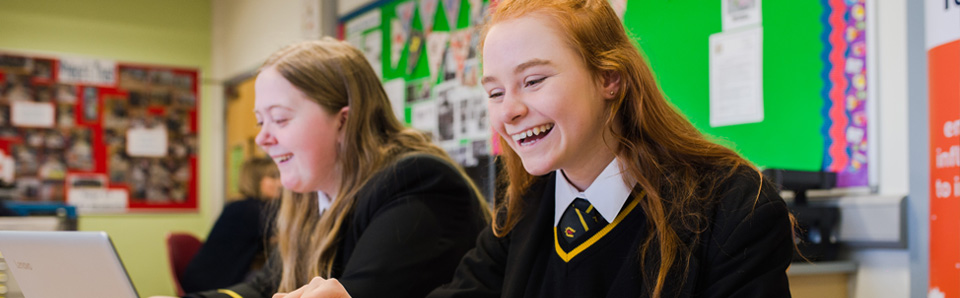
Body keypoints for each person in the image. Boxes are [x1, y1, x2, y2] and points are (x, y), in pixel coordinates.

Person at [280, 0, 795, 297]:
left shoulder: (729, 204)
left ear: (608, 78)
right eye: (495, 92)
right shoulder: (525, 210)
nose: (509, 111)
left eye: (534, 80)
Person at [161, 38, 490, 298]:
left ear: (344, 121)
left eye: (280, 119)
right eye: (261, 122)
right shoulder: (309, 197)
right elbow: (265, 287)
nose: (263, 138)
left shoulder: (414, 182)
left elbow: (357, 291)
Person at [179, 157, 282, 293]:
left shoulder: (239, 205)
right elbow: (285, 238)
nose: (280, 183)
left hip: (203, 277)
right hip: (212, 283)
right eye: (273, 177)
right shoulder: (252, 210)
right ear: (255, 180)